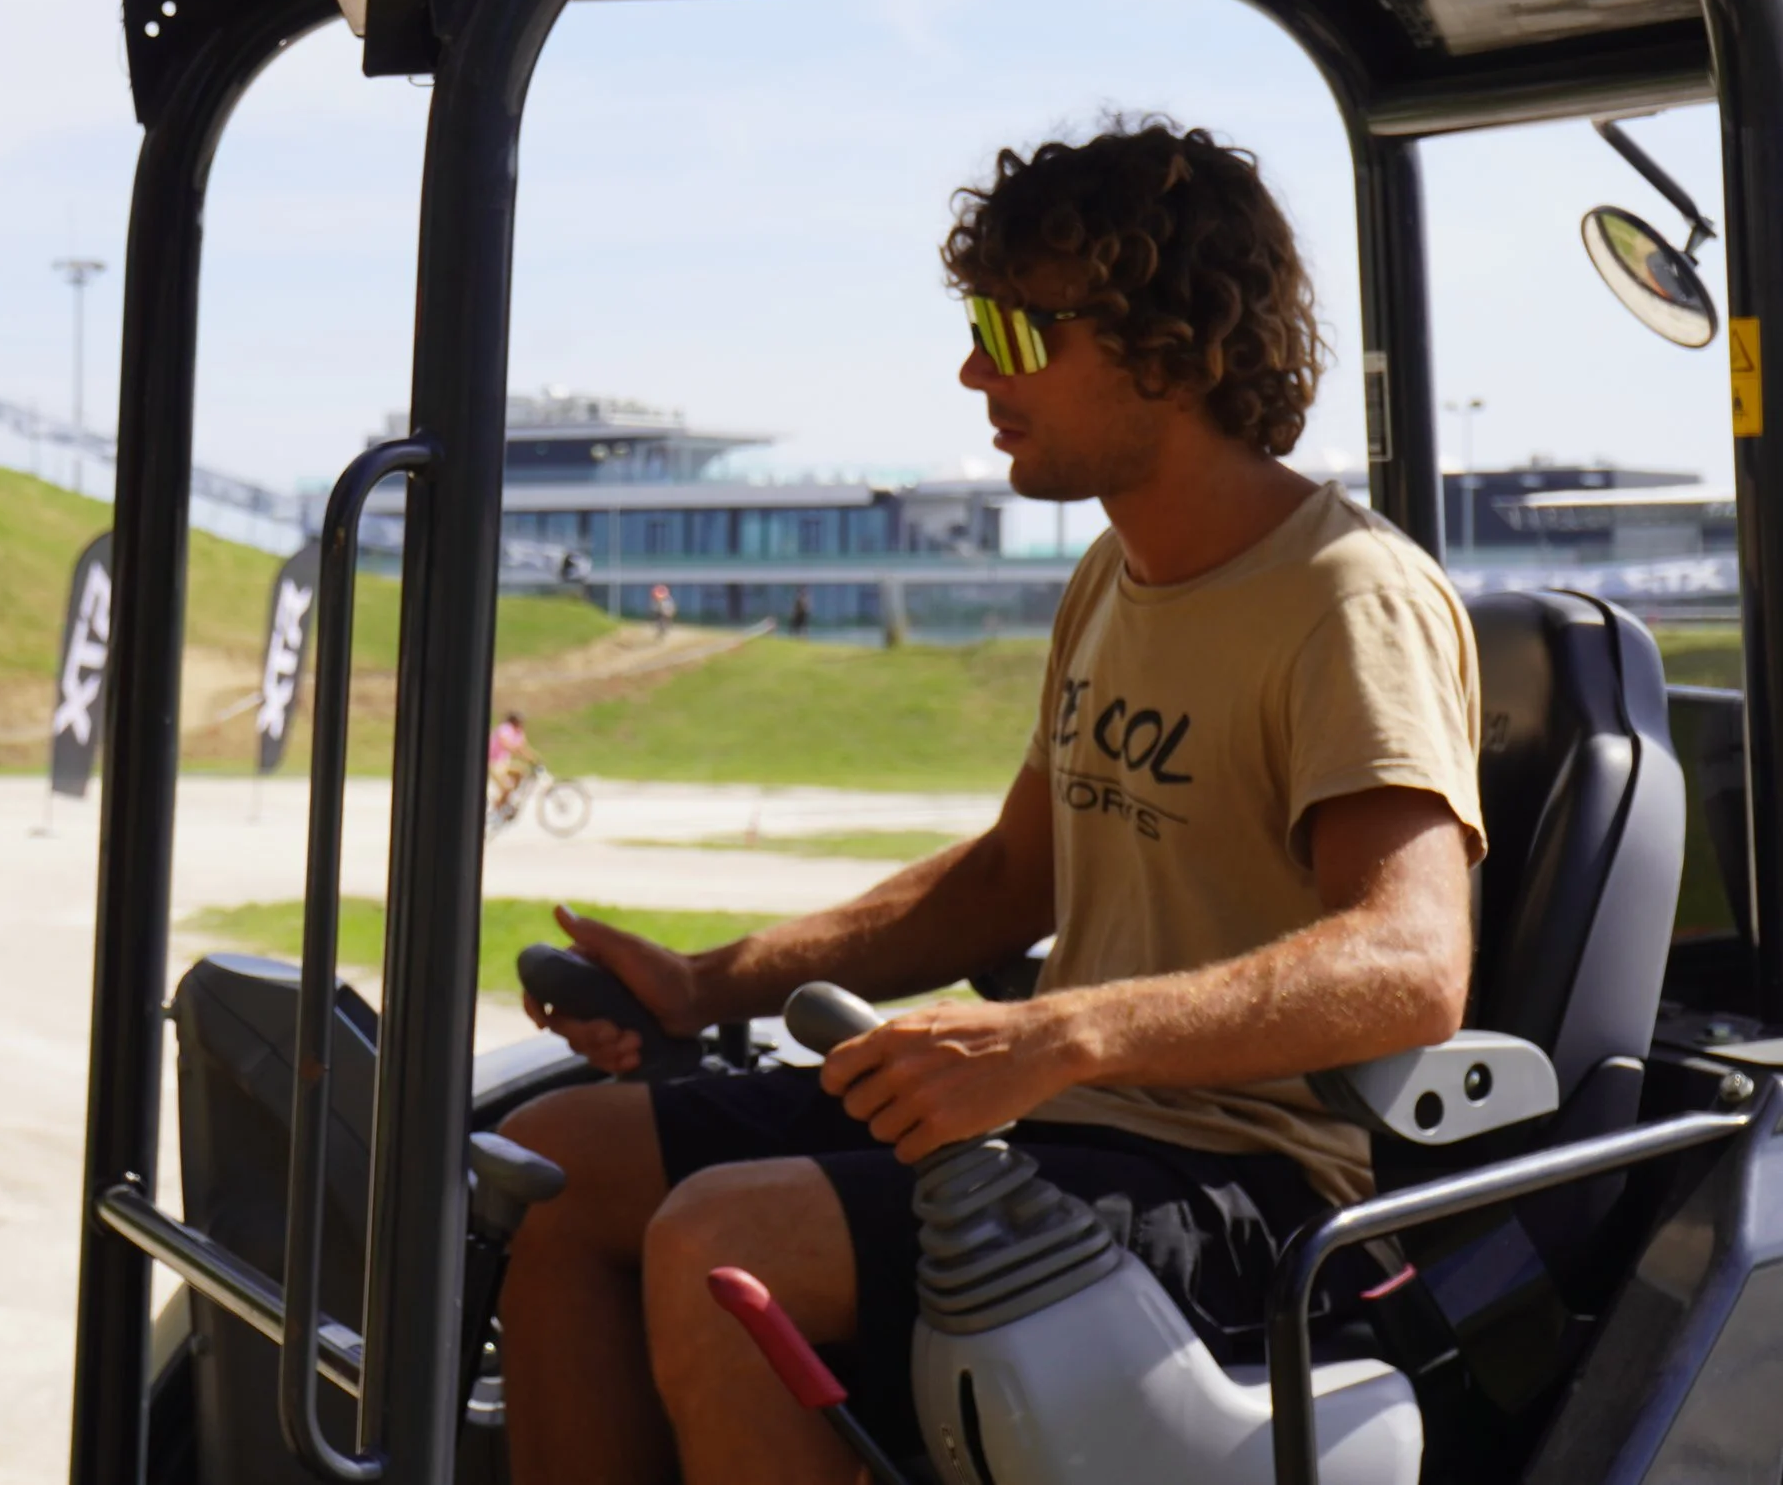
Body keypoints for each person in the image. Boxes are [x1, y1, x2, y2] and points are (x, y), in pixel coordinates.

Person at [501, 120, 1484, 1485]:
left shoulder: (1348, 598)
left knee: (726, 1238)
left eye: (1020, 331)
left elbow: (1411, 962)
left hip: (1236, 1181)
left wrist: (1053, 1034)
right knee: (551, 1163)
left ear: (1175, 342)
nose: (975, 370)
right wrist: (704, 982)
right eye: (979, 326)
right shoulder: (1112, 578)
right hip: (1057, 1120)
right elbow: (1009, 879)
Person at [488, 710, 539, 808]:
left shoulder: (518, 732)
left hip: (504, 762)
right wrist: (520, 753)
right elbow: (506, 744)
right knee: (506, 787)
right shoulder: (504, 729)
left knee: (521, 772)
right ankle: (498, 807)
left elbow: (523, 747)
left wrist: (534, 758)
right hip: (493, 763)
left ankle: (508, 799)